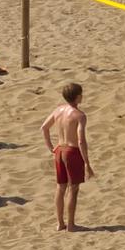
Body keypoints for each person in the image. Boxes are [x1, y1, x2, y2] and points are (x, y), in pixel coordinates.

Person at [40, 83, 94, 232]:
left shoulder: (58, 110)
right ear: (78, 97)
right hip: (72, 152)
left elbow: (44, 128)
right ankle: (71, 224)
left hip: (59, 150)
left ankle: (60, 223)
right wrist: (87, 163)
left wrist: (51, 147)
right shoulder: (80, 115)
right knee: (73, 188)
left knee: (60, 187)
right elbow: (81, 140)